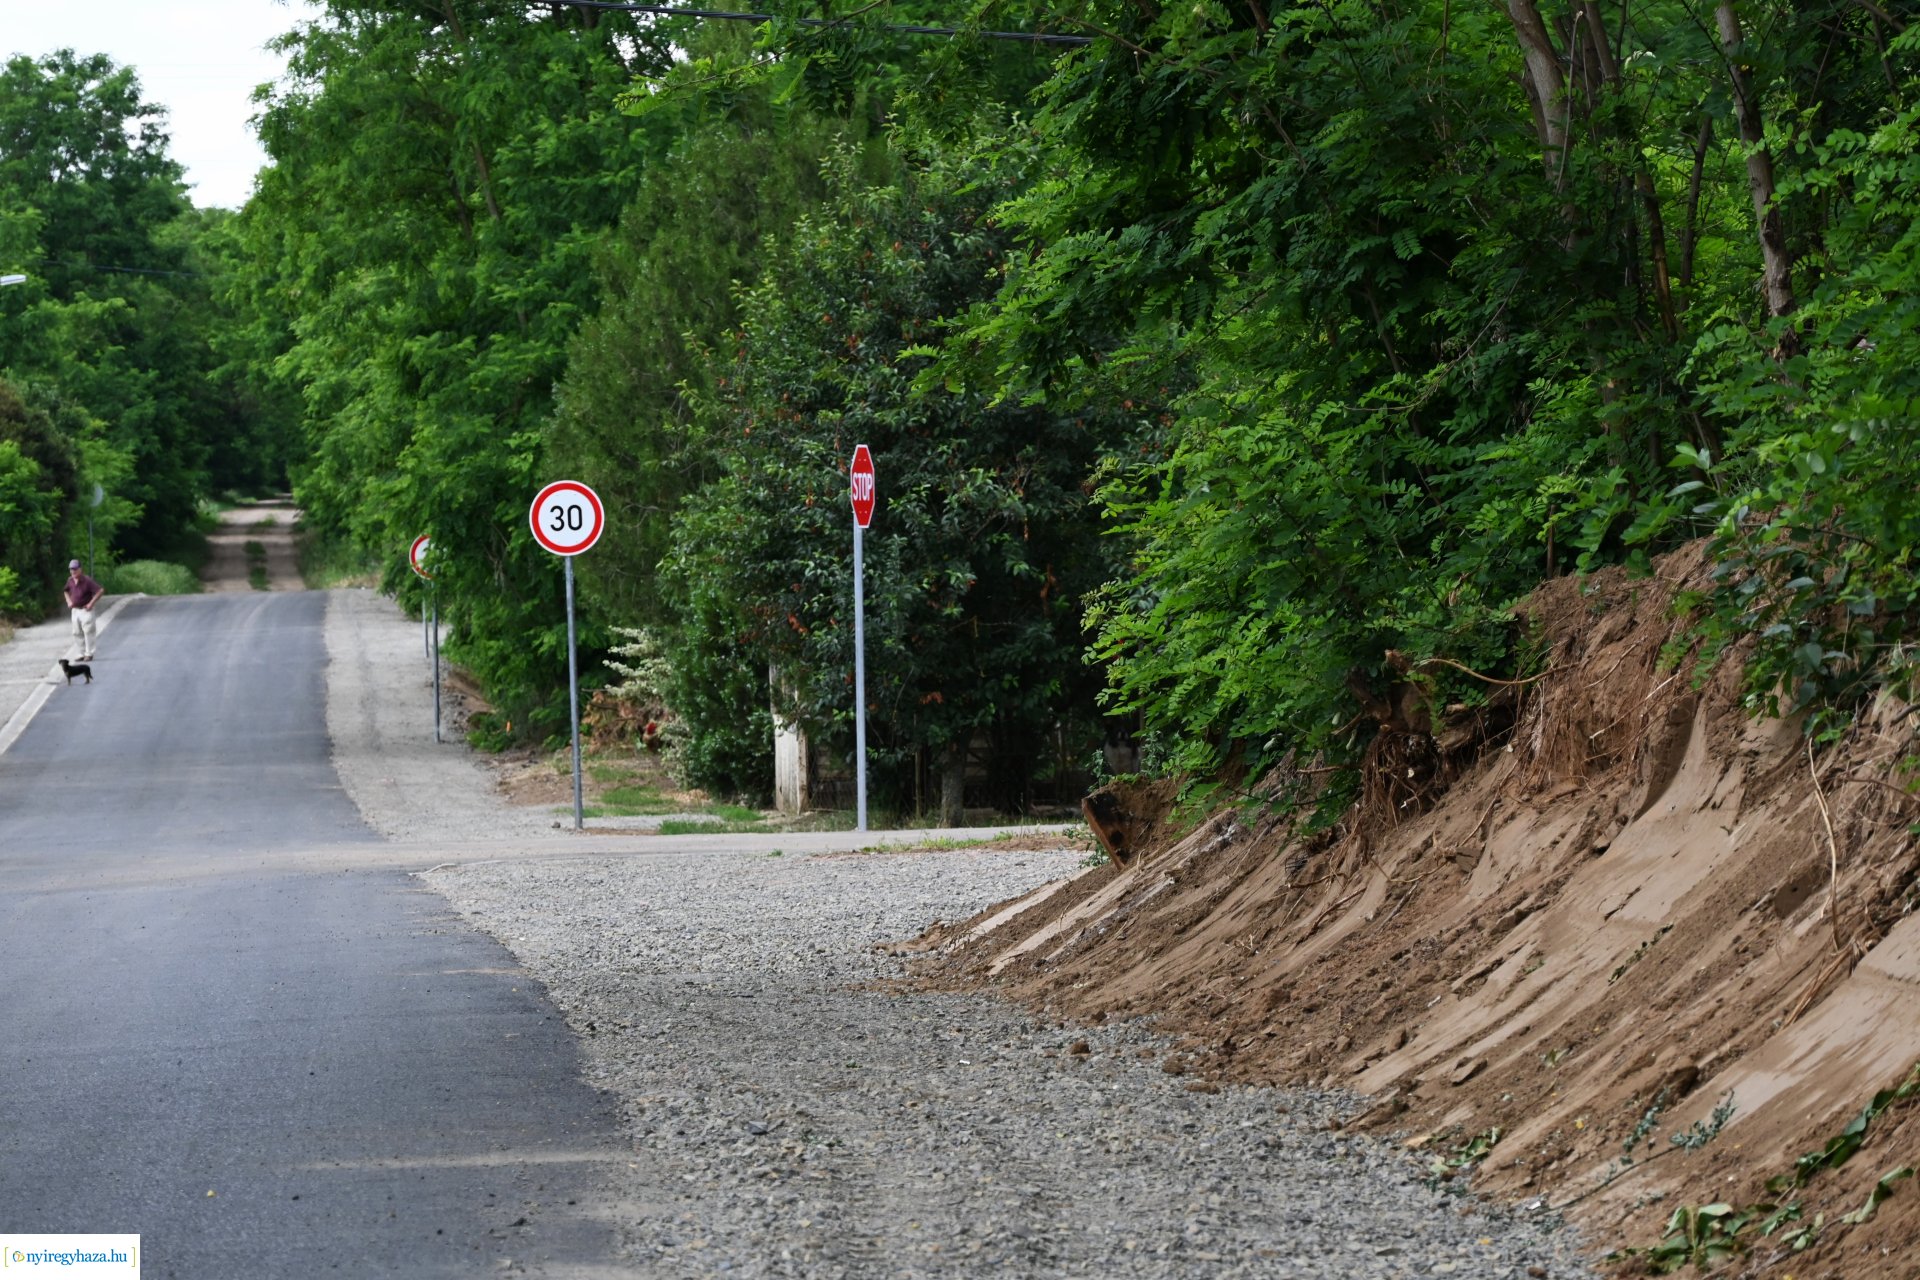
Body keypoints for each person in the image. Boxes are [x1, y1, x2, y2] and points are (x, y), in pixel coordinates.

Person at [64, 559, 103, 661]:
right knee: (77, 632)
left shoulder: (87, 580)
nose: (73, 571)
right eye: (71, 569)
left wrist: (91, 603)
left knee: (88, 631)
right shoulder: (70, 580)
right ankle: (81, 653)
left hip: (86, 610)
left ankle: (89, 653)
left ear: (80, 569)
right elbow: (66, 591)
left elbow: (100, 590)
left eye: (75, 569)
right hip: (75, 610)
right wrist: (69, 601)